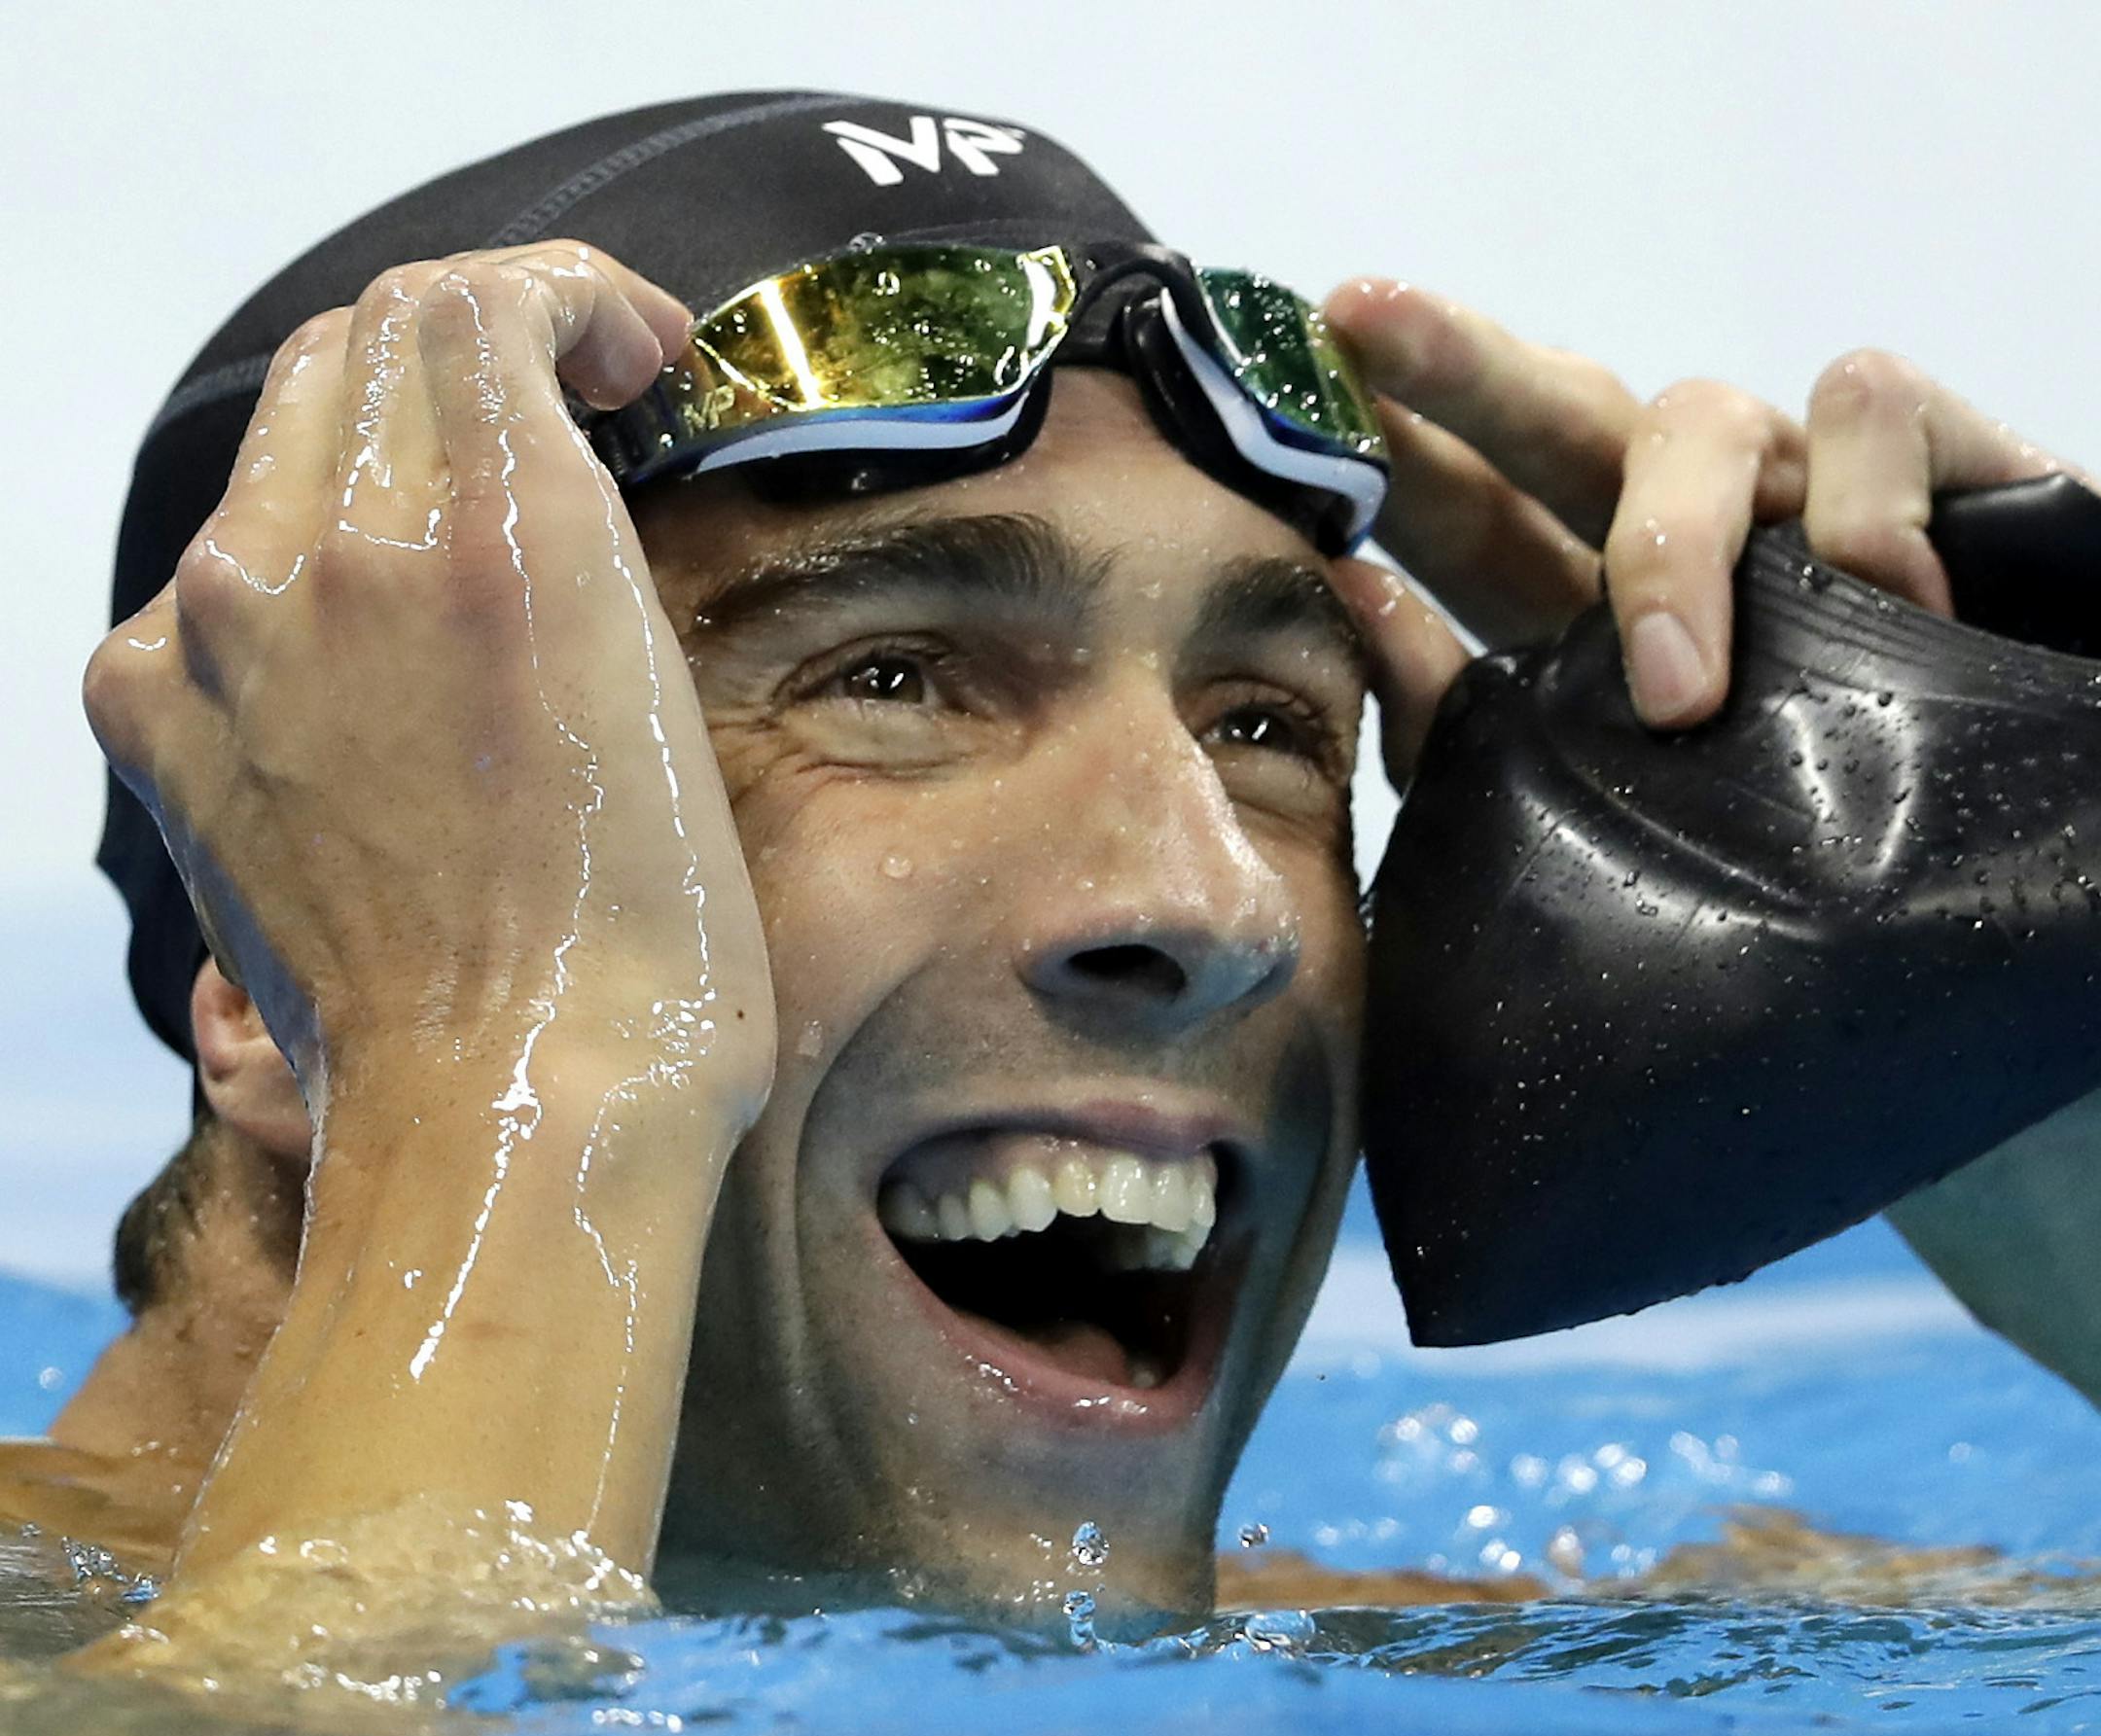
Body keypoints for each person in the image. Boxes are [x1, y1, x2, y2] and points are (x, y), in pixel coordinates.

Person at [6, 89, 2093, 1645]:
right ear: (261, 976)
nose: (1203, 906)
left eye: (1271, 731)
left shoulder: (1397, 1651)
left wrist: (1996, 1043)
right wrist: (508, 1069)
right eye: (898, 678)